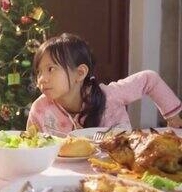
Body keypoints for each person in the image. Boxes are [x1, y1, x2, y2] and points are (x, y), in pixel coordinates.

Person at [27, 33, 182, 133]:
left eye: (50, 69)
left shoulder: (111, 95)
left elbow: (150, 79)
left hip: (118, 170)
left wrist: (172, 116)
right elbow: (31, 145)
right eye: (39, 72)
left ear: (80, 73)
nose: (42, 79)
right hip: (66, 175)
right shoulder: (39, 109)